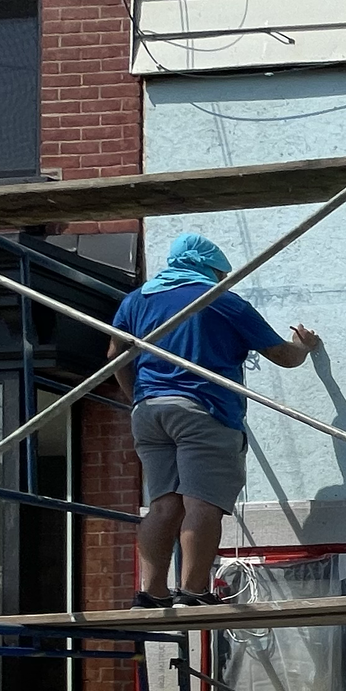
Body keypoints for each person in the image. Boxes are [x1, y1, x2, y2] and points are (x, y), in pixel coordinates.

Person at [116, 233, 319, 607]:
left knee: (163, 506)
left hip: (148, 412)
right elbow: (283, 356)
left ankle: (151, 593)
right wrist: (304, 346)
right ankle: (192, 592)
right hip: (203, 411)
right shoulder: (224, 303)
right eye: (221, 273)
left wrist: (138, 399)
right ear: (208, 268)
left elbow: (116, 355)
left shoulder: (137, 300)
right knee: (201, 504)